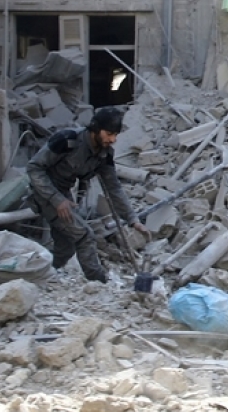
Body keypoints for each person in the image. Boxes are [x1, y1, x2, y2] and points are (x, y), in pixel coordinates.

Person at [27, 106, 148, 283]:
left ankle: (40, 276)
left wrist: (133, 219)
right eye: (109, 133)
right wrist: (56, 199)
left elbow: (114, 188)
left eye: (115, 135)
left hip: (64, 195)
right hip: (45, 193)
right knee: (84, 235)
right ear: (96, 129)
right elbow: (34, 168)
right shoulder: (67, 140)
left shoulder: (104, 154)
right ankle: (98, 282)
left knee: (66, 247)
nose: (113, 139)